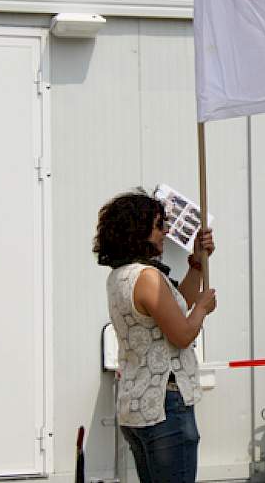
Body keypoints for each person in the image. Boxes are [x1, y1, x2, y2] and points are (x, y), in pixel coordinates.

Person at [93, 190, 217, 483]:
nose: (165, 232)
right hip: (166, 403)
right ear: (139, 230)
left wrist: (197, 264)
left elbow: (175, 308)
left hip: (138, 404)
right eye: (160, 225)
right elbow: (183, 332)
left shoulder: (120, 276)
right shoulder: (148, 277)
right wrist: (202, 307)